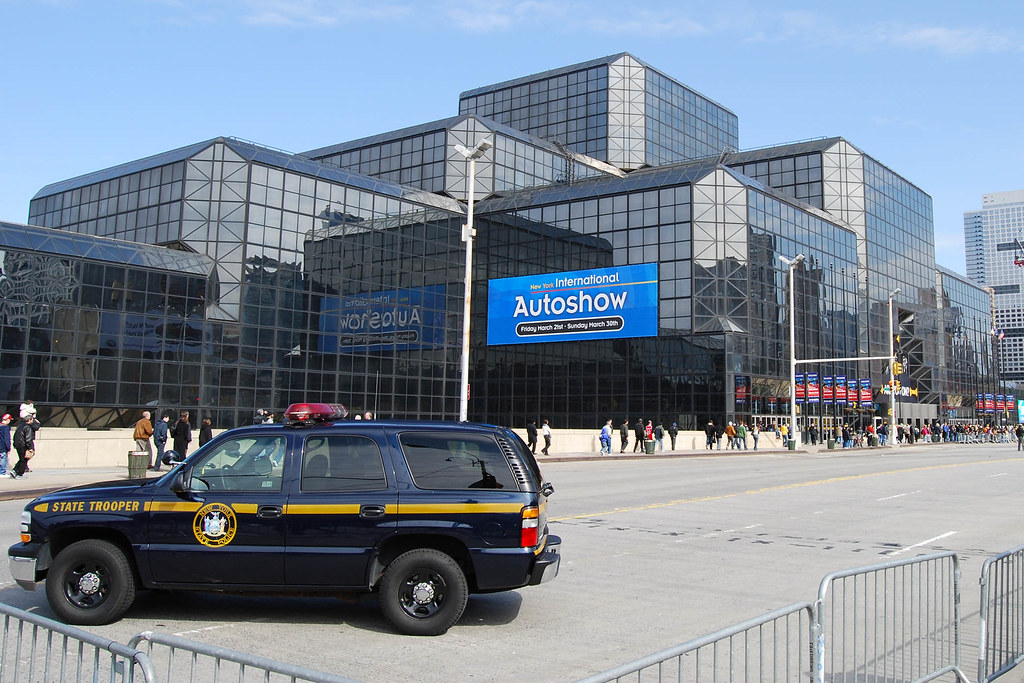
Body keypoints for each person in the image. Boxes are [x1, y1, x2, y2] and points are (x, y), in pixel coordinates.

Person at [11, 405, 40, 479]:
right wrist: (30, 448)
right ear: (29, 420)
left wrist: (15, 444)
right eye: (32, 420)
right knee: (24, 460)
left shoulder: (20, 426)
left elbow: (15, 436)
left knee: (21, 459)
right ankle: (19, 474)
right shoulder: (28, 427)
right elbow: (28, 439)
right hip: (23, 445)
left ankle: (15, 470)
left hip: (18, 444)